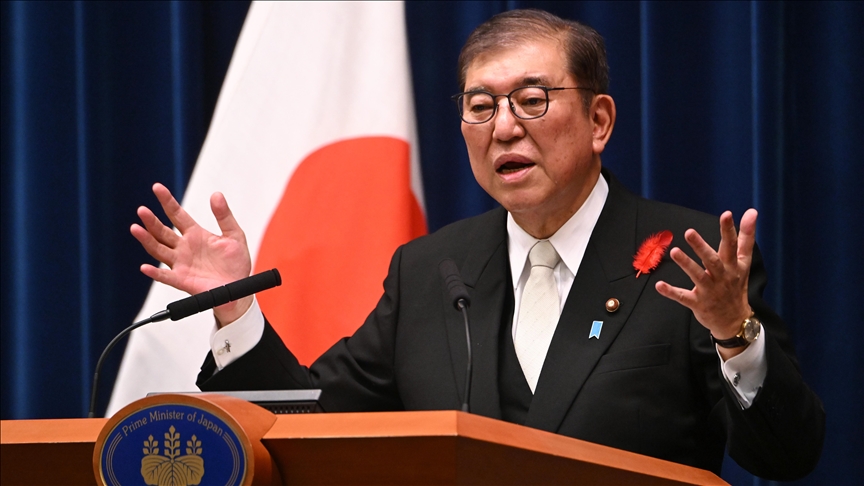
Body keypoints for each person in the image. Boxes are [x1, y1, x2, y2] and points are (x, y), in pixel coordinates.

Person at [132, 9, 824, 480]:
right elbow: (309, 424)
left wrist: (734, 334)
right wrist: (234, 309)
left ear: (599, 120)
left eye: (532, 99)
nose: (504, 128)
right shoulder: (431, 270)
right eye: (480, 106)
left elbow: (787, 455)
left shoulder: (690, 264)